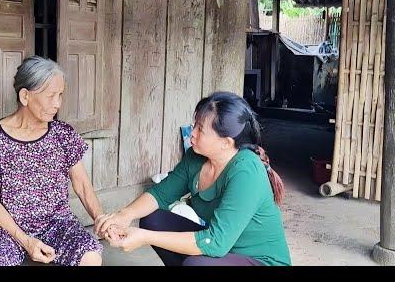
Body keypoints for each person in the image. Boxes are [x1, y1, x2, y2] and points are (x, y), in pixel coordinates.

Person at [95, 91, 292, 266]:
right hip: (224, 251)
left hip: (258, 259)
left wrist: (145, 238)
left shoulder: (247, 171)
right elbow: (160, 194)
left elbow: (215, 242)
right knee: (154, 219)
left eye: (200, 129)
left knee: (197, 264)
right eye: (194, 124)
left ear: (225, 142)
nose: (192, 134)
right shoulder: (196, 157)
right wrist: (124, 215)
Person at [0, 56, 105, 266]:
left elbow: (83, 186)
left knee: (91, 257)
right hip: (7, 228)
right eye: (51, 96)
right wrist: (26, 240)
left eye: (60, 95)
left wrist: (101, 220)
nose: (57, 104)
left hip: (57, 224)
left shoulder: (62, 134)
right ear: (25, 96)